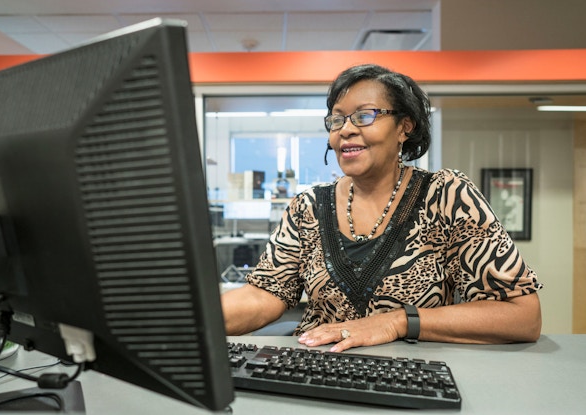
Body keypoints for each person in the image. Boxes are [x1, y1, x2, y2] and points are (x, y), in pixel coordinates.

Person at [220, 63, 543, 352]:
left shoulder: (446, 196)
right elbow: (264, 295)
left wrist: (398, 321)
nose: (345, 129)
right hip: (319, 369)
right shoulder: (309, 207)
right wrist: (184, 319)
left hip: (411, 377)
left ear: (405, 126)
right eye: (336, 119)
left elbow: (522, 315)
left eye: (365, 115)